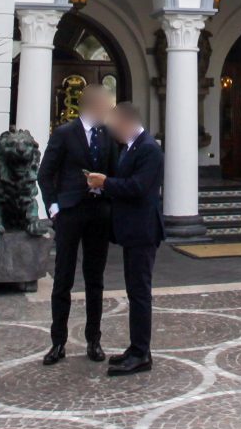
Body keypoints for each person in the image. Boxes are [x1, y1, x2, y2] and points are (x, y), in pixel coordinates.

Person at [38, 85, 116, 365]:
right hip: (70, 213)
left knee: (95, 279)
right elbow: (45, 173)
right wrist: (54, 206)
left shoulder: (108, 135)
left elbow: (114, 170)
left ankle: (93, 340)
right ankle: (57, 342)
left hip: (98, 213)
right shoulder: (64, 133)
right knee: (63, 279)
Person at [85, 102, 163, 376]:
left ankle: (141, 353)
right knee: (134, 291)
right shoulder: (131, 147)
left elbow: (138, 188)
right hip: (132, 231)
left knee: (140, 293)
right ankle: (136, 348)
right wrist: (102, 188)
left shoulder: (149, 149)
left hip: (143, 231)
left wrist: (105, 183)